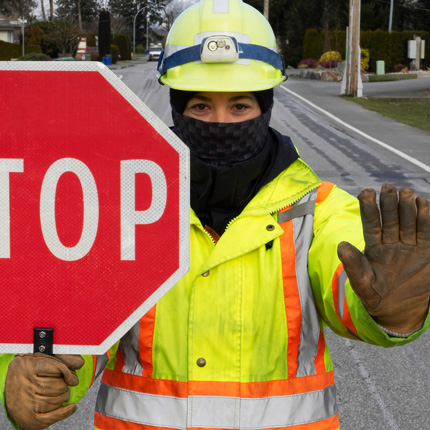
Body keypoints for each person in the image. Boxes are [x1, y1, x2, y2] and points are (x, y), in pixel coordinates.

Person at [1, 1, 430, 429]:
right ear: (177, 110)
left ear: (265, 109)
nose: (221, 123)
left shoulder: (316, 211)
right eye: (201, 108)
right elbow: (79, 331)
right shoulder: (123, 209)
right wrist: (29, 383)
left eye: (240, 107)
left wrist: (391, 311)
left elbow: (351, 285)